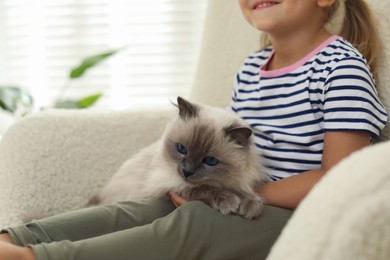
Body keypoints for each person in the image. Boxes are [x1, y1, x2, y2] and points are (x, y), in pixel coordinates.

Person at [0, 0, 388, 259]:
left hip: (294, 217)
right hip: (238, 201)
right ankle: (17, 237)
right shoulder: (252, 69)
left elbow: (342, 179)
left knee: (198, 222)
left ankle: (38, 257)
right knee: (147, 207)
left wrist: (249, 198)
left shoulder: (341, 67)